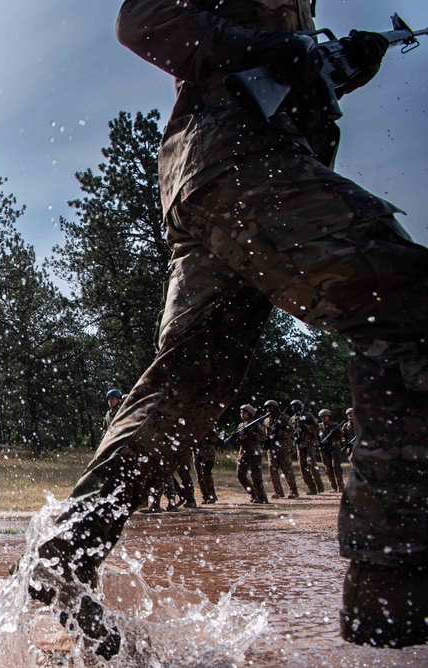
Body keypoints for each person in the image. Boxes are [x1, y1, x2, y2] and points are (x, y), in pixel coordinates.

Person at [24, 0, 428, 655]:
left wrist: (341, 67)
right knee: (411, 312)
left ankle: (70, 544)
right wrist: (260, 48)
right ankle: (397, 588)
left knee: (191, 376)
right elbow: (144, 19)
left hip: (217, 172)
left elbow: (272, 59)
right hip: (245, 166)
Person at [232, 404, 268, 504]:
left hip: (254, 453)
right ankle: (253, 493)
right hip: (243, 453)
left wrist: (253, 435)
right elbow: (239, 439)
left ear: (250, 414)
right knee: (240, 475)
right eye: (241, 413)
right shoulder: (240, 426)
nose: (242, 414)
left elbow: (263, 437)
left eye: (245, 412)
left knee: (256, 476)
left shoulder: (255, 424)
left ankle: (262, 497)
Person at [263, 400, 299, 499]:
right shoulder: (266, 420)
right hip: (271, 447)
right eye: (267, 407)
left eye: (271, 407)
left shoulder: (284, 419)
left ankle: (293, 490)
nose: (269, 409)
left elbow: (291, 432)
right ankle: (278, 491)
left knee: (287, 469)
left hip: (283, 447)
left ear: (275, 408)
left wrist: (279, 433)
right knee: (272, 470)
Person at [290, 399, 325, 495]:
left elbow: (316, 427)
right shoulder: (292, 419)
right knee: (302, 467)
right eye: (293, 406)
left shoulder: (308, 415)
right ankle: (312, 488)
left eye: (296, 406)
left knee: (311, 463)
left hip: (310, 443)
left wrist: (305, 426)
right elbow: (290, 431)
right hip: (300, 445)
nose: (294, 408)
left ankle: (319, 485)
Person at [318, 408, 346, 493]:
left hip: (334, 448)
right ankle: (333, 487)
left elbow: (341, 435)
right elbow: (316, 436)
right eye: (322, 416)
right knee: (328, 469)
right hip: (324, 449)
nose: (324, 418)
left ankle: (340, 486)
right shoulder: (319, 426)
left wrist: (334, 435)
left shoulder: (334, 425)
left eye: (325, 416)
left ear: (328, 416)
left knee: (336, 467)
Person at [193, 426, 218, 504]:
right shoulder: (193, 426)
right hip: (197, 454)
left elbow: (215, 439)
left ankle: (211, 496)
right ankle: (205, 496)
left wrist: (204, 432)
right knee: (199, 476)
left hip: (208, 453)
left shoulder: (209, 425)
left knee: (205, 474)